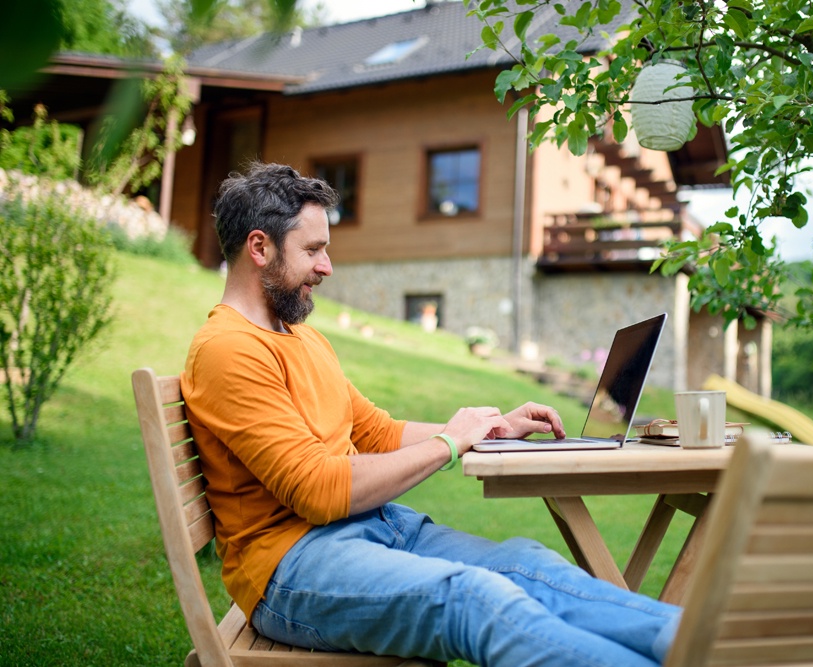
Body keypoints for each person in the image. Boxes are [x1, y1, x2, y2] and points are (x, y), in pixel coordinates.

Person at [180, 162, 682, 667]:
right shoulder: (228, 351)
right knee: (475, 601)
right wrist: (449, 443)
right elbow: (317, 490)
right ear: (260, 247)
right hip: (292, 569)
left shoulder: (302, 337)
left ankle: (702, 647)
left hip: (375, 529)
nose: (327, 266)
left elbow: (375, 431)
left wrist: (487, 428)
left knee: (530, 568)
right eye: (312, 250)